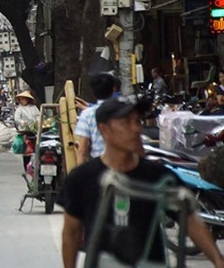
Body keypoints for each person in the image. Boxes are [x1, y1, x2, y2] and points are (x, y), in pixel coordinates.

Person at [58, 96, 224, 267]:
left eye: (137, 121)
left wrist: (218, 260)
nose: (136, 129)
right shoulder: (81, 178)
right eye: (126, 123)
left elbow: (189, 220)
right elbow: (71, 232)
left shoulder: (159, 177)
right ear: (104, 130)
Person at [75, 73, 119, 165]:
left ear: (94, 92)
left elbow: (82, 150)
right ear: (113, 89)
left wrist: (80, 174)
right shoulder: (125, 110)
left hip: (100, 165)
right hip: (123, 164)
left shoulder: (87, 114)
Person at [14, 90, 40, 170]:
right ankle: (26, 167)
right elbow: (17, 119)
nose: (22, 101)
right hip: (25, 130)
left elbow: (38, 116)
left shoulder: (34, 108)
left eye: (24, 99)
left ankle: (35, 165)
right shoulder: (19, 109)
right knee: (26, 151)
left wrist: (37, 122)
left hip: (34, 129)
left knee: (36, 148)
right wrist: (23, 122)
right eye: (21, 99)